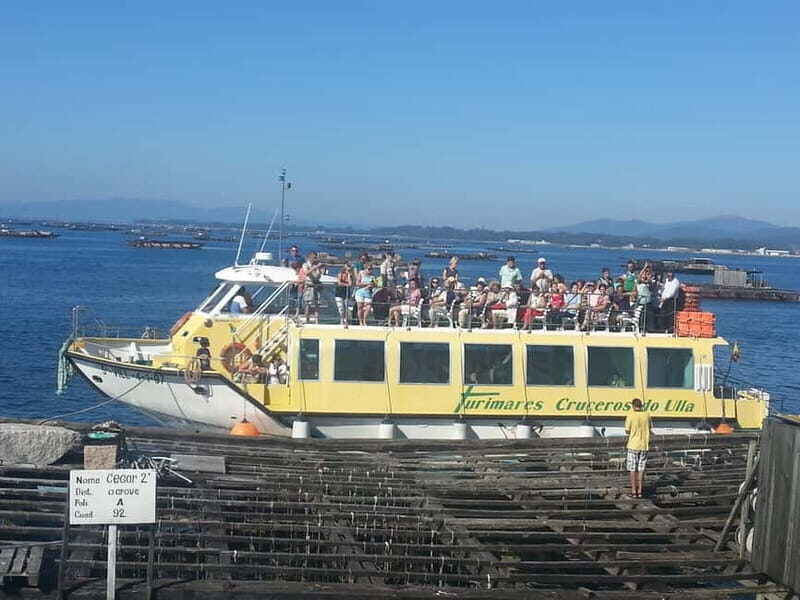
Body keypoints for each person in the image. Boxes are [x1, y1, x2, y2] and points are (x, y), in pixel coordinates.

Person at [625, 398, 652, 498]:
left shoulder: (630, 415)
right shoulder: (647, 415)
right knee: (641, 469)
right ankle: (640, 491)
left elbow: (627, 430)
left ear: (633, 406)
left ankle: (633, 491)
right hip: (644, 445)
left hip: (633, 445)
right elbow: (650, 428)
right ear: (641, 405)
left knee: (632, 469)